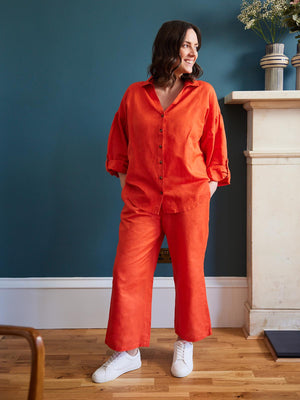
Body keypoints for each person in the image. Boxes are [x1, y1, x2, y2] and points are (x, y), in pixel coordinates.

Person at [92, 20, 230, 383]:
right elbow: (118, 145)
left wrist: (206, 190)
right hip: (141, 201)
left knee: (189, 273)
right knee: (128, 274)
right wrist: (127, 184)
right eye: (187, 44)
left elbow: (215, 151)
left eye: (196, 47)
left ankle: (185, 342)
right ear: (168, 46)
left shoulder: (204, 94)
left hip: (190, 200)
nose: (193, 52)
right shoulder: (134, 95)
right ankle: (127, 351)